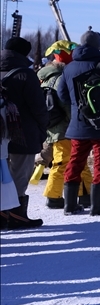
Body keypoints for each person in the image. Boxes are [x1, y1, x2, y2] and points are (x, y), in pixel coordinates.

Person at [56, 30, 100, 216]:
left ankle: (69, 205)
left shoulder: (69, 67)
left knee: (75, 161)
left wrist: (78, 106)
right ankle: (97, 206)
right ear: (97, 45)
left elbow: (62, 95)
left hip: (79, 124)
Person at [38, 40, 92, 211]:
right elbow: (68, 105)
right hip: (66, 128)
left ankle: (86, 194)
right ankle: (54, 197)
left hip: (54, 127)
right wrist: (78, 122)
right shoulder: (61, 78)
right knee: (63, 163)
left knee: (77, 161)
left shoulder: (44, 77)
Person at [0, 36, 47, 229]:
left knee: (2, 173)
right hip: (23, 133)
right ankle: (16, 216)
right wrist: (42, 130)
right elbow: (39, 107)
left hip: (0, 133)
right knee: (19, 173)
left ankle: (2, 214)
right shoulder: (25, 74)